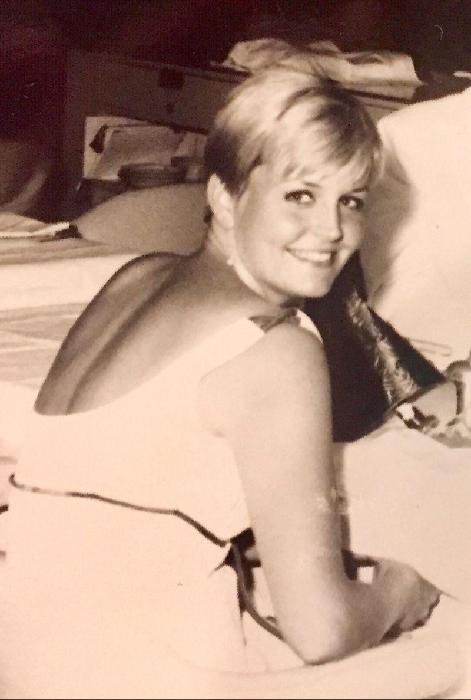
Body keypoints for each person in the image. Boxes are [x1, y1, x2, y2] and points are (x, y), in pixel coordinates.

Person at [0, 68, 460, 698]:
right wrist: (401, 591)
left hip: (24, 654)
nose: (332, 230)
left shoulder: (135, 277)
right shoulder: (278, 348)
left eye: (351, 200)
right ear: (223, 195)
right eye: (301, 195)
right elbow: (322, 632)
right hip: (134, 677)